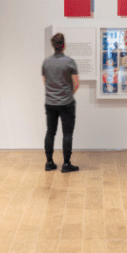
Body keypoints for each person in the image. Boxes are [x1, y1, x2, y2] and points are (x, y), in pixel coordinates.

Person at [41, 33, 79, 172]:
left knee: (50, 132)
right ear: (63, 45)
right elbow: (76, 84)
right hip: (66, 103)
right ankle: (66, 164)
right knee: (67, 134)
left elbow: (45, 83)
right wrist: (67, 95)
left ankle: (49, 162)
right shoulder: (69, 62)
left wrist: (54, 94)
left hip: (50, 103)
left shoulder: (46, 62)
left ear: (53, 45)